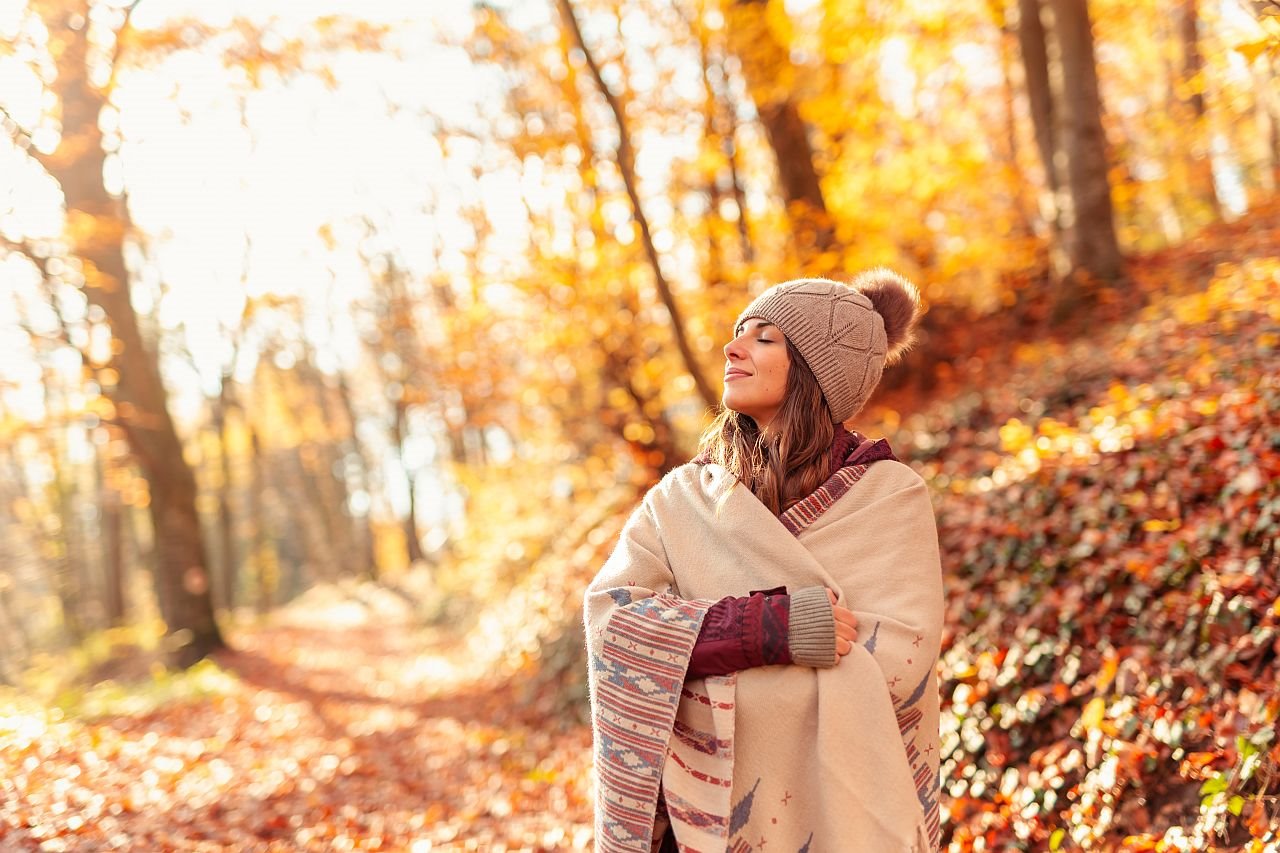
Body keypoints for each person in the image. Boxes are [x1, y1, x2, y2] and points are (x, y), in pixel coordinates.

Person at [584, 270, 944, 852]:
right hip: (696, 827)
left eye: (764, 337)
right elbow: (614, 626)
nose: (733, 347)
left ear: (815, 369)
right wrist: (764, 630)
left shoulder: (890, 497)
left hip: (844, 818)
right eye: (738, 332)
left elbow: (899, 665)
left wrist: (701, 671)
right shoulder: (680, 500)